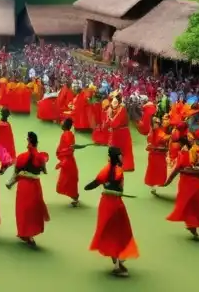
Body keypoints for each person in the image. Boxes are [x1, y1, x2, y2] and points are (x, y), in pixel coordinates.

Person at [84, 146, 138, 277]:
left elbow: (94, 183)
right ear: (116, 157)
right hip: (114, 203)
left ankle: (117, 260)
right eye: (120, 155)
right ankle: (118, 263)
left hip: (107, 203)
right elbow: (116, 184)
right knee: (118, 232)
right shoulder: (118, 170)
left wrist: (89, 186)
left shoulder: (106, 169)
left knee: (111, 231)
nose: (122, 157)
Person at [6, 131, 50, 247]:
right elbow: (45, 171)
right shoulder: (41, 157)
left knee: (22, 210)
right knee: (33, 210)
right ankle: (29, 235)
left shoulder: (21, 157)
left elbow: (16, 173)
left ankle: (23, 233)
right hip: (34, 186)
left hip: (23, 186)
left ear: (28, 141)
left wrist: (10, 183)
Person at [165, 133, 199, 240]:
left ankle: (193, 224)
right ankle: (192, 225)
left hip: (196, 181)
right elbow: (178, 169)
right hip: (185, 181)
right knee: (188, 203)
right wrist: (169, 179)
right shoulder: (183, 153)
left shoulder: (198, 151)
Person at [55, 117, 86, 207]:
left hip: (67, 161)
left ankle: (75, 199)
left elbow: (69, 148)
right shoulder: (67, 134)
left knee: (68, 181)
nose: (61, 123)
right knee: (67, 181)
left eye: (63, 122)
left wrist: (62, 159)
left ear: (66, 125)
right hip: (67, 161)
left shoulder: (67, 134)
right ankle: (75, 198)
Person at [107, 94, 135, 171]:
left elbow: (113, 123)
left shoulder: (121, 109)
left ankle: (125, 166)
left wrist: (109, 117)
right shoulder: (115, 109)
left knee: (124, 150)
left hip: (122, 132)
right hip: (117, 132)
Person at [144, 118, 170, 196]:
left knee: (160, 170)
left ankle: (156, 185)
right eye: (154, 123)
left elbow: (164, 142)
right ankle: (153, 186)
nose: (155, 125)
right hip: (153, 155)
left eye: (156, 123)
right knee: (152, 170)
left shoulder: (161, 132)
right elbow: (150, 142)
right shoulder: (151, 132)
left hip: (159, 155)